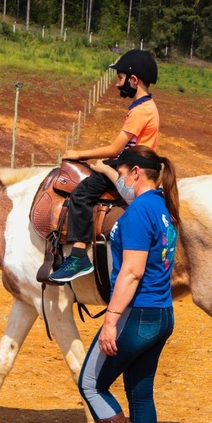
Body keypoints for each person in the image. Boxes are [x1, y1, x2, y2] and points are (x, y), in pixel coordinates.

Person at [77, 145, 180, 423]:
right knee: (140, 394)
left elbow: (133, 272)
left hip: (136, 315)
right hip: (161, 314)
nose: (118, 178)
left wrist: (111, 320)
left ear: (136, 172)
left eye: (120, 172)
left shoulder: (138, 212)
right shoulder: (162, 207)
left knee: (91, 384)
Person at [48, 49, 160, 283]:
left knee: (81, 193)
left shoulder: (141, 111)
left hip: (129, 165)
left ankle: (79, 255)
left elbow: (114, 148)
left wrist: (80, 154)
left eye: (120, 78)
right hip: (132, 161)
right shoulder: (146, 106)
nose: (118, 84)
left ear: (134, 80)